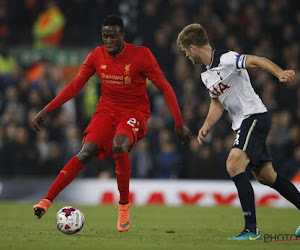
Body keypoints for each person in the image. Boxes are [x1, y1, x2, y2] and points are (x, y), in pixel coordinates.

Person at [32, 15, 192, 232]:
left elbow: (165, 87)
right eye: (105, 36)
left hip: (134, 112)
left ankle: (124, 206)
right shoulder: (97, 56)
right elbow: (75, 85)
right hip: (106, 112)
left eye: (113, 36)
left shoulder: (141, 55)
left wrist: (179, 122)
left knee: (119, 145)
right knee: (85, 152)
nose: (108, 41)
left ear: (122, 36)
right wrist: (47, 109)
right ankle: (46, 200)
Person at [177, 23, 299, 240]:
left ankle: (251, 230)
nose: (186, 56)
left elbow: (255, 60)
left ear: (193, 47)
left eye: (186, 51)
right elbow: (217, 103)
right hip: (245, 122)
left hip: (254, 116)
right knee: (266, 176)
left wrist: (280, 73)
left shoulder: (226, 59)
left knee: (233, 164)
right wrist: (206, 125)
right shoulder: (206, 74)